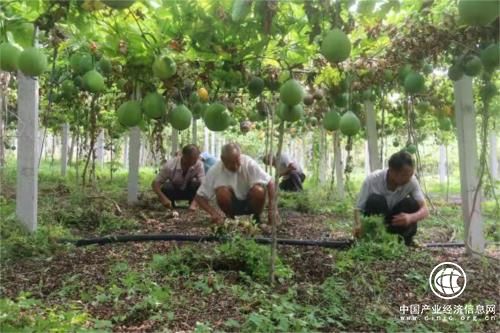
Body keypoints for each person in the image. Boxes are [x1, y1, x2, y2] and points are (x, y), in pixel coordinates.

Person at [356, 151, 429, 245]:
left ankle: (402, 239)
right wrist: (358, 226)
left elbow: (425, 210)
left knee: (411, 203)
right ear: (392, 171)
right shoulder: (372, 180)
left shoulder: (411, 181)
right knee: (375, 200)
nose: (409, 178)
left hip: (396, 221)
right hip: (377, 220)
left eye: (411, 174)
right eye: (405, 175)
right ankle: (375, 238)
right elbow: (358, 209)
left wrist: (410, 218)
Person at [194, 143, 275, 224]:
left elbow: (270, 182)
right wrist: (213, 213)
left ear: (240, 156)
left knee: (259, 190)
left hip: (250, 202)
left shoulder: (249, 163)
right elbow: (199, 196)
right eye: (231, 163)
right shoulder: (215, 170)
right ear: (222, 159)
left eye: (237, 161)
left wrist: (272, 208)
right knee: (222, 192)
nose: (236, 166)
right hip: (232, 205)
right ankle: (230, 218)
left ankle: (256, 217)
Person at [152, 144, 204, 210]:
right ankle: (171, 204)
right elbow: (155, 184)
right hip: (175, 191)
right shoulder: (170, 165)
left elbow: (203, 184)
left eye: (194, 160)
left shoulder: (199, 164)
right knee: (166, 187)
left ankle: (193, 204)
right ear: (183, 155)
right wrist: (163, 198)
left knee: (197, 185)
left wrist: (195, 202)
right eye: (189, 159)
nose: (192, 162)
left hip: (189, 192)